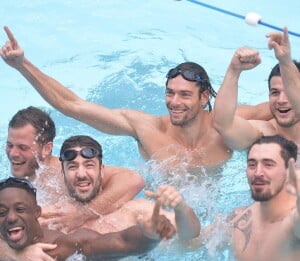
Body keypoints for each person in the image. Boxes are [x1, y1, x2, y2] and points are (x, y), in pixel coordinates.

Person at [0, 26, 272, 172]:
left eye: (184, 95)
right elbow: (72, 106)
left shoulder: (227, 124)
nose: (174, 102)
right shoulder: (145, 128)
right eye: (170, 93)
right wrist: (23, 66)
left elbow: (283, 108)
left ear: (204, 99)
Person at [1, 134, 200, 261]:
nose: (81, 174)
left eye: (89, 165)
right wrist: (18, 255)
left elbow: (191, 235)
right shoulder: (49, 215)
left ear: (102, 170)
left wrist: (181, 207)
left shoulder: (135, 211)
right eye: (72, 167)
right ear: (62, 174)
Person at [0, 177, 175, 261]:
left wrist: (149, 234)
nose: (11, 218)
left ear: (38, 212)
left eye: (21, 209)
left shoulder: (59, 248)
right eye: (2, 212)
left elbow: (120, 242)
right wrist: (17, 255)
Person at [193, 135, 300, 261]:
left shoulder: (291, 225)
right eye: (252, 164)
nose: (257, 173)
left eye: (268, 164)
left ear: (290, 170)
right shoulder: (239, 217)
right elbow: (194, 242)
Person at [6, 107, 145, 213]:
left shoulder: (66, 171)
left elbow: (133, 180)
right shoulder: (15, 185)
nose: (13, 153)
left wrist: (83, 213)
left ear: (47, 149)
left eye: (23, 147)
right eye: (9, 145)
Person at [213, 27, 300, 155]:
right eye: (275, 92)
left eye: (288, 93)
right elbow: (223, 125)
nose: (281, 100)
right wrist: (234, 71)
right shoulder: (264, 133)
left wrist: (285, 61)